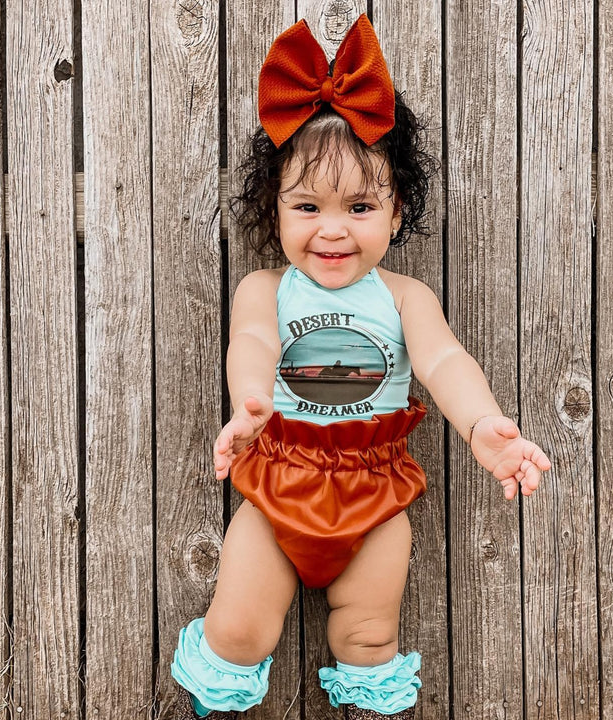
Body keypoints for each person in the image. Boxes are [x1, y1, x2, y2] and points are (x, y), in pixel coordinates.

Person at [171, 14, 551, 720]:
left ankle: (369, 701)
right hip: (279, 480)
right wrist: (251, 401)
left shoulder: (404, 297)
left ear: (396, 210)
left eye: (360, 205)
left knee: (369, 636)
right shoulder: (265, 289)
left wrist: (482, 426)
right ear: (275, 211)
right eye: (307, 205)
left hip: (375, 495)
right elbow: (251, 342)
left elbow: (443, 359)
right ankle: (216, 699)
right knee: (240, 629)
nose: (333, 227)